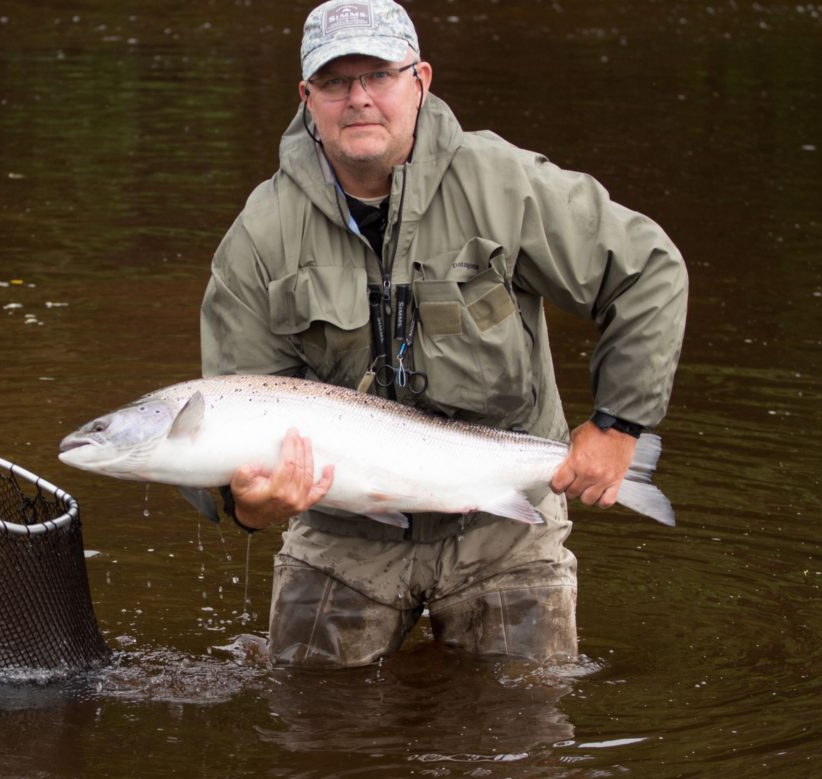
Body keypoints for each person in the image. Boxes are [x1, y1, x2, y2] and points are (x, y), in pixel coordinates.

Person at [200, 0, 687, 668]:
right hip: (342, 534)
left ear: (421, 80)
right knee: (316, 733)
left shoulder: (504, 183)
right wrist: (248, 505)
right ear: (306, 97)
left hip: (502, 526)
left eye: (379, 75)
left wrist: (617, 423)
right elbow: (230, 410)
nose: (359, 98)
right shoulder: (258, 237)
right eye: (336, 82)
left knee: (521, 736)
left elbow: (648, 271)